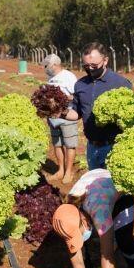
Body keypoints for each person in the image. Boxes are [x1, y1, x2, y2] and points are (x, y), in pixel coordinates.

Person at [52, 169, 134, 268]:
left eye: (79, 233)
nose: (80, 237)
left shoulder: (99, 212)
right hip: (98, 187)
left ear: (82, 218)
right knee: (100, 241)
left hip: (120, 188)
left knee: (123, 238)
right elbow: (75, 258)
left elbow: (107, 255)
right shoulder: (68, 212)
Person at [62, 42, 132, 170]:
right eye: (86, 66)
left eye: (94, 65)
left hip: (114, 147)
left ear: (105, 60)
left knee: (113, 188)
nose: (90, 69)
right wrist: (60, 112)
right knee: (95, 186)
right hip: (92, 148)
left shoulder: (120, 83)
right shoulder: (80, 84)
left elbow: (130, 118)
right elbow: (77, 113)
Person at [43, 54, 79, 183]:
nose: (45, 68)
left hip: (67, 116)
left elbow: (76, 96)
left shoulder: (68, 77)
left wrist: (61, 98)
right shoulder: (51, 78)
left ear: (55, 65)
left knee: (70, 145)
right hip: (53, 117)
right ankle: (60, 171)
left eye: (46, 66)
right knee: (57, 145)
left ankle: (68, 172)